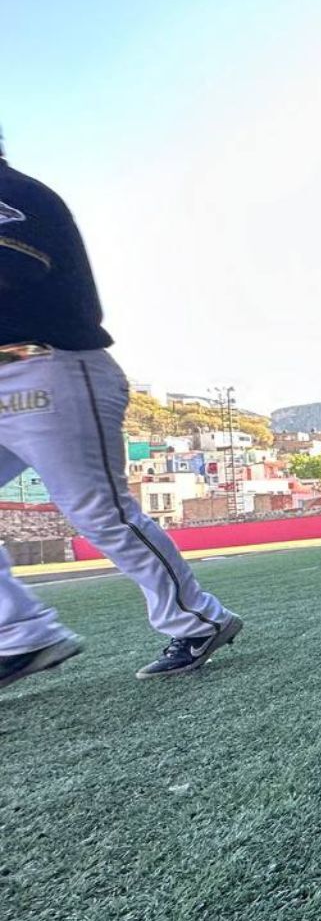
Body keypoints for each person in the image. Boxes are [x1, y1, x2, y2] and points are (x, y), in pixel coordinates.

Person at [0, 135, 242, 687]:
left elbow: (14, 267)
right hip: (14, 374)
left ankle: (200, 620)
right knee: (98, 509)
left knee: (99, 511)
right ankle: (21, 634)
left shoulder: (10, 189)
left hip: (49, 366)